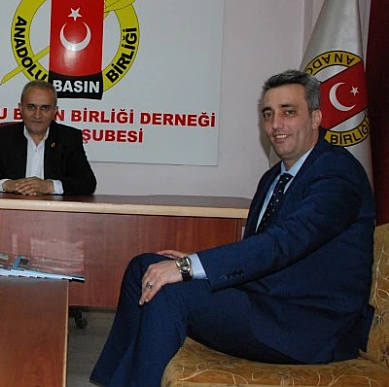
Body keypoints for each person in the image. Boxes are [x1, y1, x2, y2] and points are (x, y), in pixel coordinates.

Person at [91, 69, 375, 387]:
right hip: (265, 303)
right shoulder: (274, 178)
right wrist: (195, 266)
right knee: (143, 268)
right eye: (268, 114)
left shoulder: (338, 173)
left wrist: (189, 267)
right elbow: (261, 251)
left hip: (308, 326)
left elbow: (284, 243)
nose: (276, 124)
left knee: (171, 292)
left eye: (288, 112)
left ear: (315, 118)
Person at [0, 80, 96, 196]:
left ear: (54, 111)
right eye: (31, 107)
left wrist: (49, 186)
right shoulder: (4, 136)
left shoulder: (68, 138)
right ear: (20, 108)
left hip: (54, 211)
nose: (37, 115)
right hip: (12, 209)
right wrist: (7, 185)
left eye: (45, 108)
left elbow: (87, 182)